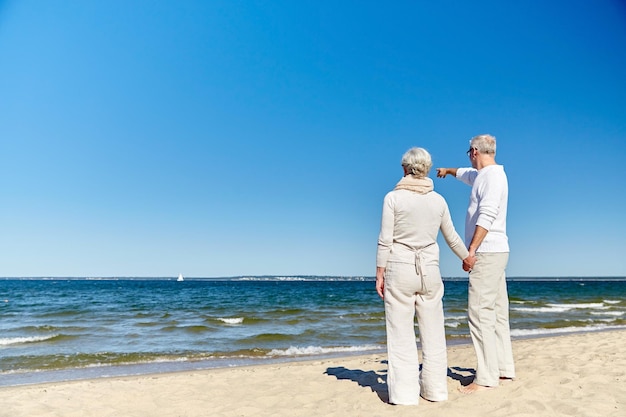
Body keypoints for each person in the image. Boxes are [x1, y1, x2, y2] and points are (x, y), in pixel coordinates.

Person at [376, 147, 470, 405]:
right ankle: (435, 390)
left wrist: (379, 272)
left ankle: (405, 395)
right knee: (433, 332)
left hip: (400, 266)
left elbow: (385, 239)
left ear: (405, 168)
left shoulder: (393, 198)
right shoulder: (438, 201)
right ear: (427, 169)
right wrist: (467, 257)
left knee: (401, 333)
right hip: (430, 270)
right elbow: (451, 236)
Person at [436, 134, 515, 394]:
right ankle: (503, 369)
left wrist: (471, 250)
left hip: (487, 252)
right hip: (497, 251)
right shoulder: (484, 175)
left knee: (480, 313)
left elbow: (487, 215)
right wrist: (448, 171)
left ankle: (486, 377)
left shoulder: (491, 178)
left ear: (473, 151)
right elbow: (467, 174)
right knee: (496, 312)